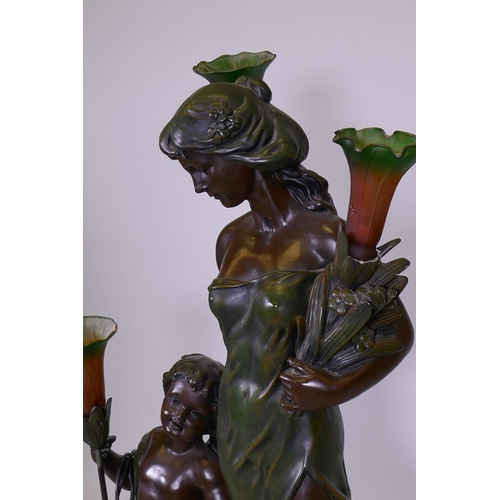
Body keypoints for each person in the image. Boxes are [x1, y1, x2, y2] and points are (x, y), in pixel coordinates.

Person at [159, 76, 414, 500]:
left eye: (203, 168)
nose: (199, 184)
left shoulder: (326, 238)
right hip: (237, 430)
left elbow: (396, 334)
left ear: (240, 153)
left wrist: (333, 389)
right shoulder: (230, 241)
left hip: (300, 432)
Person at [94, 353, 230, 500]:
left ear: (210, 421)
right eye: (175, 401)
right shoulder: (153, 439)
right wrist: (104, 457)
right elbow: (131, 478)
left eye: (195, 413)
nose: (180, 416)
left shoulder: (207, 469)